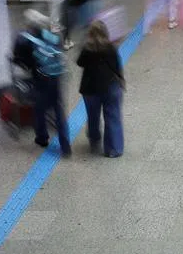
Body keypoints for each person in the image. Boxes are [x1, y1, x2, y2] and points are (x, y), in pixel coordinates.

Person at [21, 9, 71, 156]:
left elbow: (25, 61)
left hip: (41, 79)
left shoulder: (28, 40)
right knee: (58, 110)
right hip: (56, 77)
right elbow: (60, 50)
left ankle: (42, 137)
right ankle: (65, 145)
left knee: (39, 109)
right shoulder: (53, 37)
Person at [77, 20, 124, 157]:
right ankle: (113, 149)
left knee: (93, 116)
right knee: (113, 117)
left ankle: (94, 140)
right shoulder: (111, 48)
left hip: (90, 89)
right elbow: (117, 66)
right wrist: (121, 81)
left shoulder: (87, 49)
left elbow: (80, 63)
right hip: (110, 86)